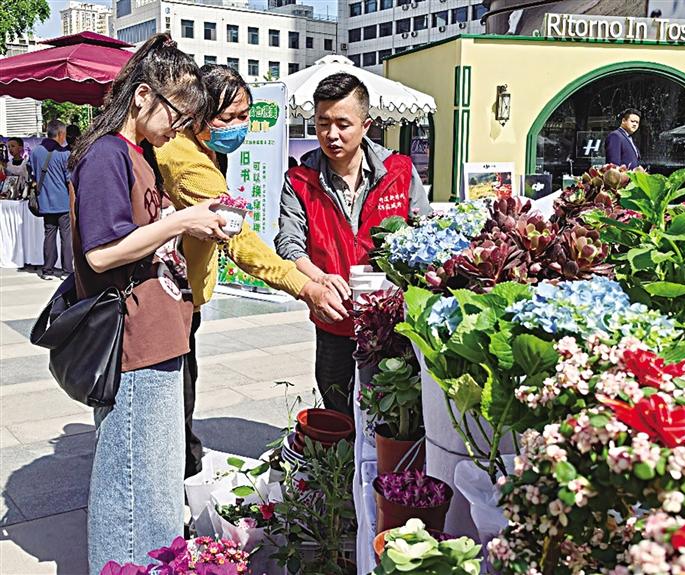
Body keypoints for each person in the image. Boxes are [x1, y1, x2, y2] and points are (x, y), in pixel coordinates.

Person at [67, 33, 228, 574]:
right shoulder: (106, 154)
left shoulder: (140, 156)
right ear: (141, 97)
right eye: (176, 115)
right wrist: (182, 220)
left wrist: (191, 220)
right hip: (134, 341)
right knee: (133, 489)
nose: (177, 129)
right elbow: (102, 252)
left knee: (155, 484)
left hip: (159, 333)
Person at [154, 64, 347, 478]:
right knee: (173, 402)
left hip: (183, 291)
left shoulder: (203, 149)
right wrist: (306, 287)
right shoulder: (186, 161)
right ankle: (176, 485)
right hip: (169, 298)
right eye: (228, 117)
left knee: (181, 392)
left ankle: (181, 468)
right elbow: (239, 240)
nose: (239, 126)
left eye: (245, 115)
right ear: (198, 112)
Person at [275, 72, 431, 417]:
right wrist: (318, 278)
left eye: (343, 124)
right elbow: (288, 243)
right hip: (333, 316)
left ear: (366, 125)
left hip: (392, 321)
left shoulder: (400, 171)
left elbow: (425, 234)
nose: (331, 134)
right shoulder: (299, 180)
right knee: (338, 406)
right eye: (323, 123)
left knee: (395, 412)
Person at [29, 120, 74, 279]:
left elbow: (32, 173)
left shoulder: (35, 152)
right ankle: (67, 271)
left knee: (49, 234)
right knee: (66, 237)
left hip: (45, 201)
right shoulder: (64, 154)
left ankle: (47, 270)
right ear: (61, 134)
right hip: (63, 202)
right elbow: (69, 180)